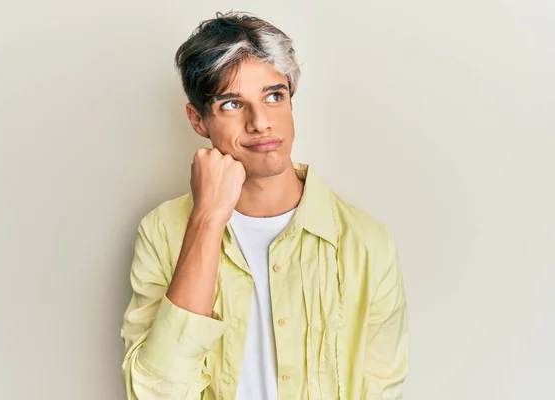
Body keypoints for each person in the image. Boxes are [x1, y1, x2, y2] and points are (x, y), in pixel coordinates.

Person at [121, 11, 408, 400]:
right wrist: (206, 220)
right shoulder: (162, 231)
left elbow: (384, 391)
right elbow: (156, 393)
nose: (260, 122)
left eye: (274, 96)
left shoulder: (366, 243)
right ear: (197, 120)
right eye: (231, 104)